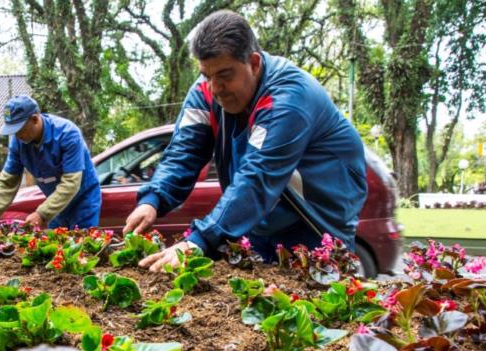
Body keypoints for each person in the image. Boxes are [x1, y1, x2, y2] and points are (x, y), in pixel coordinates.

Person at [123, 10, 367, 271]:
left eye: (225, 76)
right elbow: (184, 151)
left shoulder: (289, 98)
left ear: (254, 63)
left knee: (312, 305)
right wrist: (153, 199)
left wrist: (199, 240)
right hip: (257, 222)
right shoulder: (206, 90)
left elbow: (258, 175)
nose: (214, 88)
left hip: (314, 225)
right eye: (207, 75)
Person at [0, 95, 102, 234]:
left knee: (81, 245)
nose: (17, 136)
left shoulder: (68, 134)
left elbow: (71, 183)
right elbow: (7, 182)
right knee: (54, 247)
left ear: (35, 119)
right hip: (55, 203)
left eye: (20, 129)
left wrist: (42, 214)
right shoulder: (18, 143)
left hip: (82, 199)